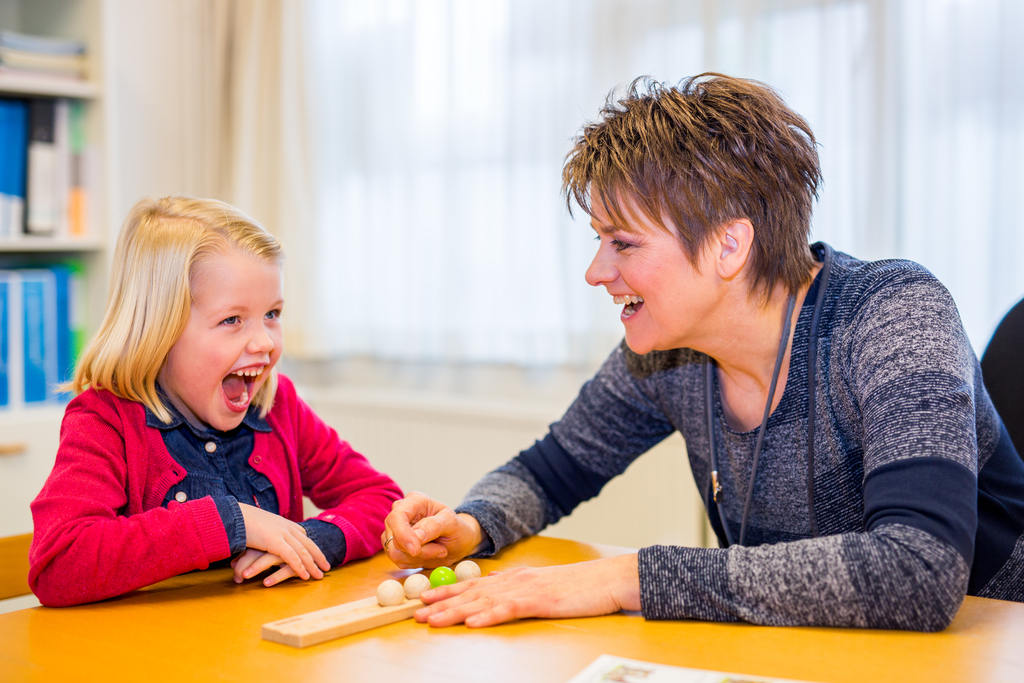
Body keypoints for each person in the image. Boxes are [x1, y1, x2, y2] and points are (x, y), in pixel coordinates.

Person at [381, 74, 1024, 632]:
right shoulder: (663, 355)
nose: (595, 272)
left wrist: (626, 578)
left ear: (728, 246)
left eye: (623, 244)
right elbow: (549, 472)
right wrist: (472, 524)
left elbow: (918, 571)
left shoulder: (893, 313)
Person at [29, 196, 403, 607]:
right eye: (232, 320)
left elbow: (382, 499)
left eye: (272, 314)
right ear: (160, 329)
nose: (263, 341)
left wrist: (314, 539)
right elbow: (58, 563)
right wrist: (232, 521)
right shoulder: (105, 419)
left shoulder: (276, 406)